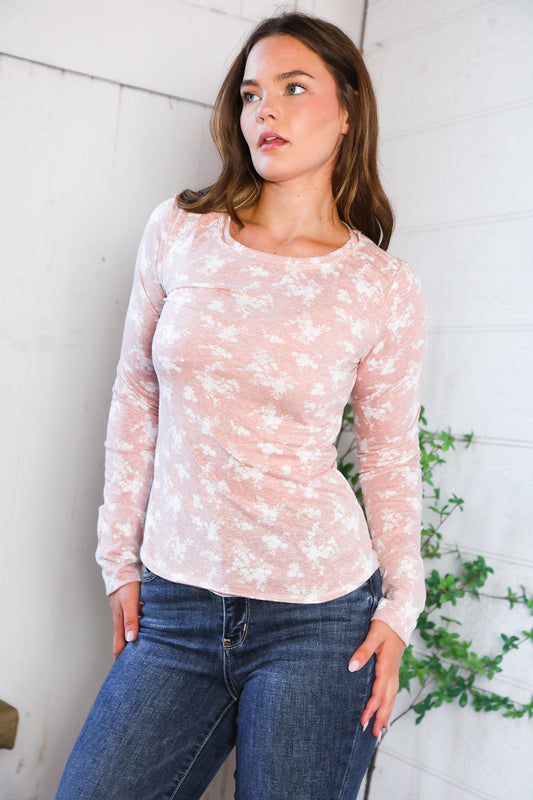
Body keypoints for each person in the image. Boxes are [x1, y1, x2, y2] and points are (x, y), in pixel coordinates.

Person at [56, 11, 426, 800]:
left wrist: (401, 606)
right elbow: (136, 395)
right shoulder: (180, 230)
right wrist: (118, 560)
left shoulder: (381, 286)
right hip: (175, 605)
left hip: (319, 619)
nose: (266, 110)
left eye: (294, 88)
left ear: (348, 111)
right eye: (251, 93)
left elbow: (389, 456)